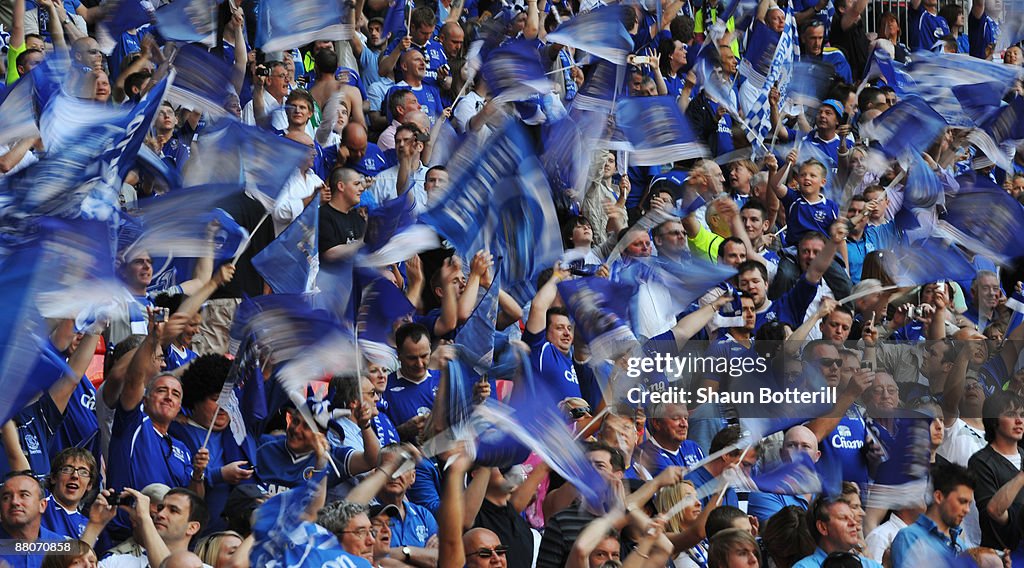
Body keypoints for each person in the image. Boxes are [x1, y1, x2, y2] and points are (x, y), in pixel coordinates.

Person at [890, 462, 975, 565]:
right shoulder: (910, 537)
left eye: (969, 504)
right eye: (962, 501)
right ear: (939, 497)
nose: (967, 510)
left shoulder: (961, 545)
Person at [793, 498, 883, 568]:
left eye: (852, 517)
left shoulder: (870, 566)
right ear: (823, 527)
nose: (853, 523)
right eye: (843, 518)